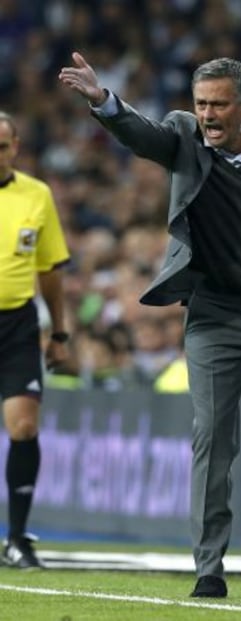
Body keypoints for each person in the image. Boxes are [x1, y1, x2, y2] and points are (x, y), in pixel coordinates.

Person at [59, 52, 241, 599]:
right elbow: (145, 137)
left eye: (218, 104)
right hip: (214, 312)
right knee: (214, 437)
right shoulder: (183, 135)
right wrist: (103, 103)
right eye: (201, 104)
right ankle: (209, 567)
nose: (208, 114)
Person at [0, 111, 70, 568]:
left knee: (24, 427)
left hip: (18, 325)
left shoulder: (36, 195)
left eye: (2, 145)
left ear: (16, 146)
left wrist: (59, 332)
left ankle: (18, 539)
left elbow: (49, 270)